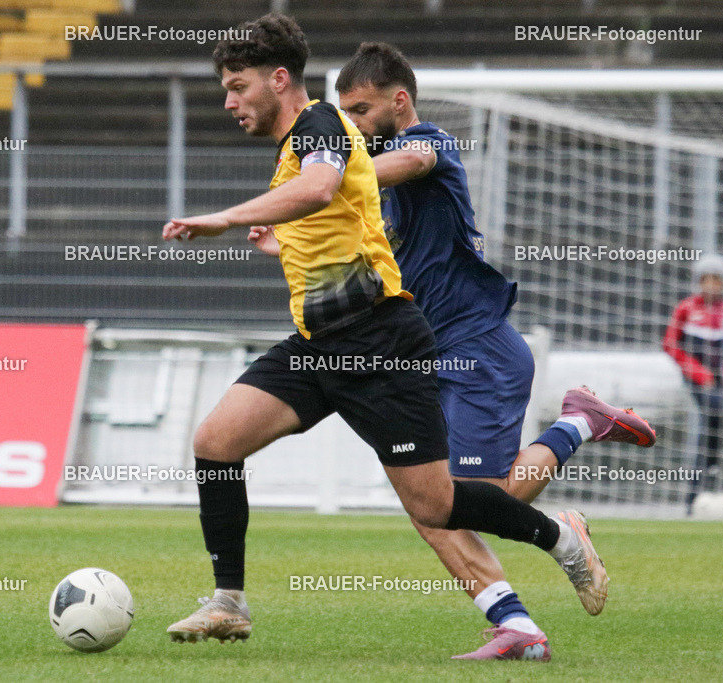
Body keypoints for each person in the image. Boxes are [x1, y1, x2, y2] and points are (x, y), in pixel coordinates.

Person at [161, 13, 607, 649]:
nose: (230, 102)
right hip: (320, 345)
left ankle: (560, 538)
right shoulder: (302, 148)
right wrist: (283, 240)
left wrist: (225, 218)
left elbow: (323, 187)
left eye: (238, 86)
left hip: (380, 344)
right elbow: (343, 220)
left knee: (436, 505)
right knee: (216, 442)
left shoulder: (320, 124)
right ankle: (229, 602)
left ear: (279, 79)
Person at [249, 41, 654, 661]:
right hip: (414, 353)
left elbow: (405, 163)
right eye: (344, 113)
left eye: (361, 110)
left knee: (486, 499)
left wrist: (330, 176)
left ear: (399, 101)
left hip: (476, 345)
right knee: (430, 506)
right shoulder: (367, 183)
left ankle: (577, 424)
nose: (351, 123)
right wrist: (285, 238)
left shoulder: (429, 145)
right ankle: (514, 627)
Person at [663, 254, 723, 515]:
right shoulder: (687, 308)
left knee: (716, 426)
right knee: (713, 417)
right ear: (699, 281)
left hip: (717, 381)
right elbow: (670, 344)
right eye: (706, 279)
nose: (711, 285)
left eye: (716, 279)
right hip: (696, 378)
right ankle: (699, 488)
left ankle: (704, 486)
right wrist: (698, 372)